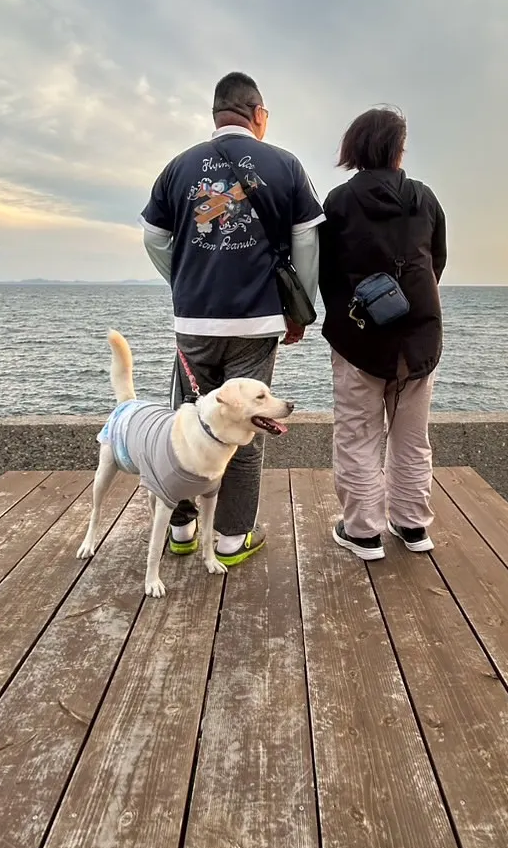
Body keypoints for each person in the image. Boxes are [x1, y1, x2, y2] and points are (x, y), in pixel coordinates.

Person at [141, 72, 324, 563]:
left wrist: (179, 281)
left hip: (194, 323)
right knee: (248, 423)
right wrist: (301, 305)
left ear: (216, 113)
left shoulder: (178, 167)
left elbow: (154, 238)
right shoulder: (284, 163)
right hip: (257, 322)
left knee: (182, 426)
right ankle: (231, 537)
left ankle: (180, 532)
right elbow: (307, 237)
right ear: (258, 114)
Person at [318, 107, 447, 560]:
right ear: (397, 148)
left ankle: (363, 533)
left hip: (360, 338)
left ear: (354, 146)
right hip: (419, 338)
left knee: (357, 436)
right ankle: (413, 527)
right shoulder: (424, 198)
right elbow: (436, 264)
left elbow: (326, 273)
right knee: (412, 437)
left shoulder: (338, 202)